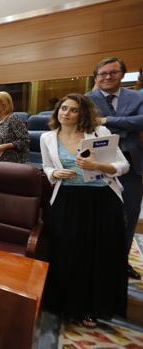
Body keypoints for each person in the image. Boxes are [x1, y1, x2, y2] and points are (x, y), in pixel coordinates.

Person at [40, 93, 129, 327]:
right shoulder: (48, 137)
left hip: (101, 200)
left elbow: (123, 165)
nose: (65, 113)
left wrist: (97, 165)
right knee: (67, 252)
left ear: (83, 114)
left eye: (73, 110)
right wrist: (53, 173)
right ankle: (68, 306)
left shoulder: (100, 134)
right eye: (63, 108)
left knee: (97, 254)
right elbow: (47, 166)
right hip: (67, 199)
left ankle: (91, 307)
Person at [86, 57, 143, 280]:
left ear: (122, 75)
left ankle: (121, 261)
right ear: (96, 77)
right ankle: (96, 260)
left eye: (113, 73)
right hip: (98, 164)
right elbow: (86, 124)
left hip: (132, 165)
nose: (107, 77)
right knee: (98, 217)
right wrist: (126, 124)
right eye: (102, 74)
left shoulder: (136, 96)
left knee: (128, 216)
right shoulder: (86, 100)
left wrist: (107, 120)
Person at [0, 91, 30, 163]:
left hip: (13, 161)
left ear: (4, 106)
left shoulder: (13, 119)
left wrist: (5, 146)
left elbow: (25, 141)